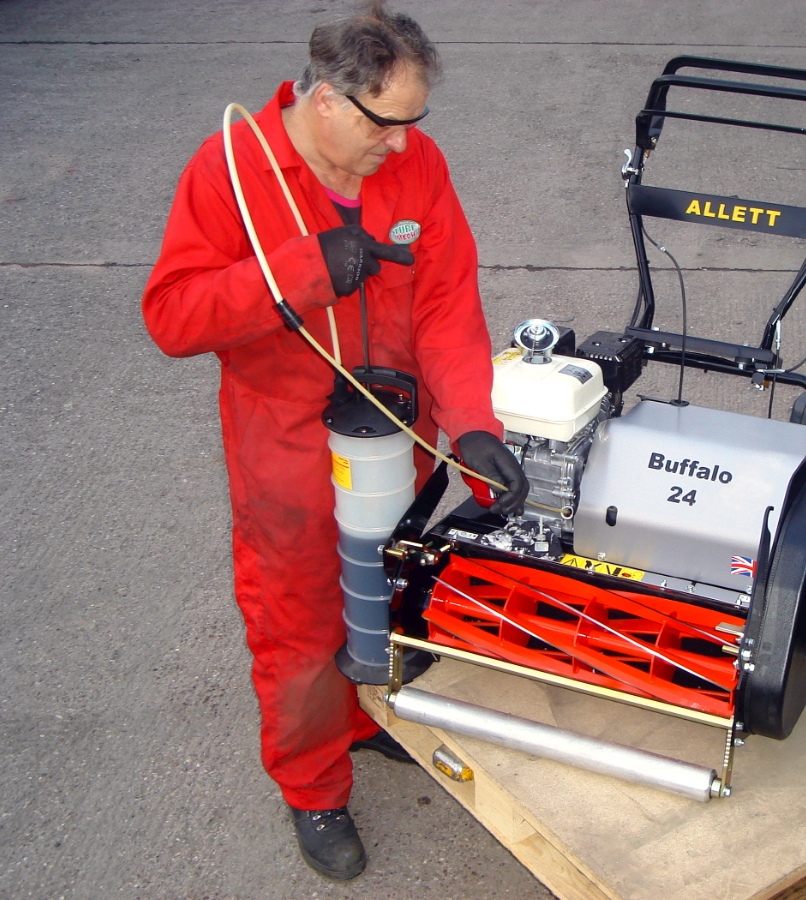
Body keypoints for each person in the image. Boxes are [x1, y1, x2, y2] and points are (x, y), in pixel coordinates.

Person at [141, 4, 528, 881]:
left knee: (391, 588)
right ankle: (313, 785)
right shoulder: (233, 170)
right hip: (287, 443)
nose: (403, 146)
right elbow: (170, 315)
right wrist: (300, 273)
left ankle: (367, 718)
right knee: (301, 621)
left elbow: (445, 303)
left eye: (414, 123)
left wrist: (471, 424)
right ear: (328, 102)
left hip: (400, 432)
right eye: (387, 125)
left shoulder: (415, 163)